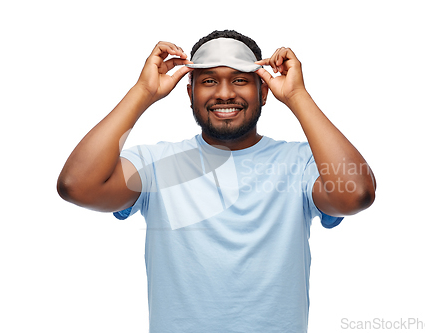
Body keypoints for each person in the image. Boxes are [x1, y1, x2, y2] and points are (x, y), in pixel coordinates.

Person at [57, 30, 376, 332]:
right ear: (190, 92)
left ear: (263, 91)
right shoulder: (157, 166)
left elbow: (357, 194)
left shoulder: (302, 163)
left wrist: (297, 95)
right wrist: (142, 93)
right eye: (209, 81)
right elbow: (77, 185)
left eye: (240, 80)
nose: (225, 93)